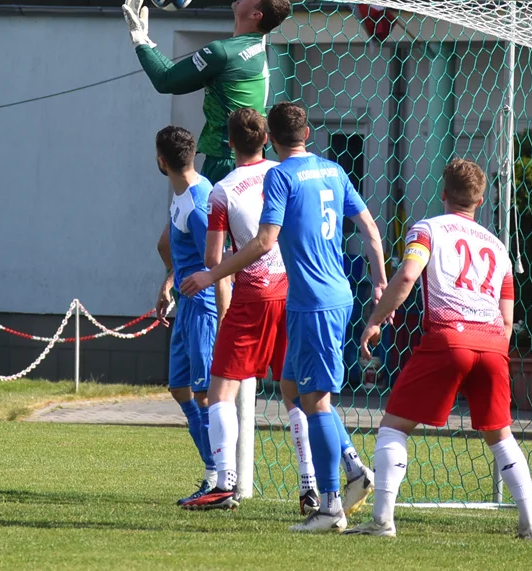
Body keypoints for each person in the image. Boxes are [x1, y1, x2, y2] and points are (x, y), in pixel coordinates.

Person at [182, 102, 388, 533]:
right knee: (293, 387)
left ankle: (324, 501)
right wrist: (381, 283)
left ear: (269, 139)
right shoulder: (332, 170)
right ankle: (333, 476)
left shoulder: (265, 180)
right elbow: (370, 229)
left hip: (297, 298)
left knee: (307, 398)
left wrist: (210, 276)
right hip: (308, 295)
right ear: (307, 132)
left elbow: (261, 241)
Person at [344, 159, 532, 540]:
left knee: (393, 427)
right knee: (501, 437)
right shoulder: (499, 248)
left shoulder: (427, 230)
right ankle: (529, 524)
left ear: (444, 193)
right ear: (481, 200)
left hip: (450, 337)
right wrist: (494, 350)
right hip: (493, 344)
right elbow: (506, 316)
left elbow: (406, 276)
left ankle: (382, 520)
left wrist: (374, 320)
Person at [179, 108, 317, 514]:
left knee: (221, 390)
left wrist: (221, 301)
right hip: (292, 292)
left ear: (230, 142)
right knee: (296, 393)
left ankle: (224, 482)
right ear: (267, 139)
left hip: (252, 296)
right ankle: (309, 484)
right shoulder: (285, 172)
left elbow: (212, 257)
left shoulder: (222, 190)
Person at [123, 0, 291, 184]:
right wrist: (146, 42)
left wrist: (138, 39)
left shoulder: (223, 52)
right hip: (249, 159)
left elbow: (165, 81)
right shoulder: (253, 48)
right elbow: (174, 78)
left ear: (256, 15)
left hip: (226, 160)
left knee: (205, 214)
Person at [153, 125, 220, 505]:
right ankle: (213, 469)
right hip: (187, 305)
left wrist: (223, 316)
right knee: (180, 388)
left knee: (204, 394)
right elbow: (171, 245)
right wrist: (170, 280)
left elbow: (217, 262)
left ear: (162, 160)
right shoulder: (182, 195)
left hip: (204, 309)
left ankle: (219, 477)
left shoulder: (198, 204)